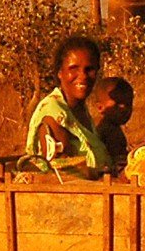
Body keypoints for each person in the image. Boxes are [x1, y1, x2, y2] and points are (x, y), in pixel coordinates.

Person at [25, 35, 110, 173]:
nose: (82, 76)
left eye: (89, 69)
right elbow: (63, 171)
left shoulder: (80, 110)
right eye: (73, 68)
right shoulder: (54, 113)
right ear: (60, 73)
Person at [93, 77, 134, 173]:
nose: (124, 108)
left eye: (128, 104)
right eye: (118, 104)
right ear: (100, 107)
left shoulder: (113, 128)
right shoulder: (109, 131)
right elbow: (117, 163)